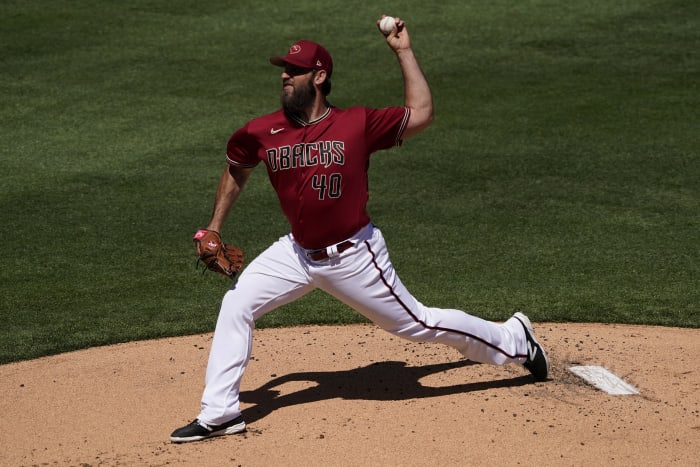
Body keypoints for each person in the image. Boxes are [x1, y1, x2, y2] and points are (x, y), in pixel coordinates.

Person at [170, 16, 549, 443]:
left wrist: (402, 51)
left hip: (353, 256)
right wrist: (214, 226)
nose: (284, 75)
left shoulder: (357, 123)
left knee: (418, 324)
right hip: (295, 253)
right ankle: (220, 412)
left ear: (319, 76)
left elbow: (421, 114)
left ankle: (515, 339)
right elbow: (237, 166)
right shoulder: (263, 131)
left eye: (294, 70)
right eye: (283, 69)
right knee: (236, 305)